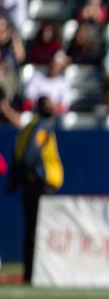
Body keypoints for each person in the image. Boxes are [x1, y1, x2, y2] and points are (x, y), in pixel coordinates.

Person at [8, 97, 64, 284]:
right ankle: (37, 273)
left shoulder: (27, 128)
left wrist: (16, 180)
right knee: (39, 229)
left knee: (31, 229)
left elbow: (17, 154)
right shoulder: (41, 127)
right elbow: (31, 154)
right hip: (40, 184)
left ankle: (30, 272)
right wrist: (30, 175)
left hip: (28, 184)